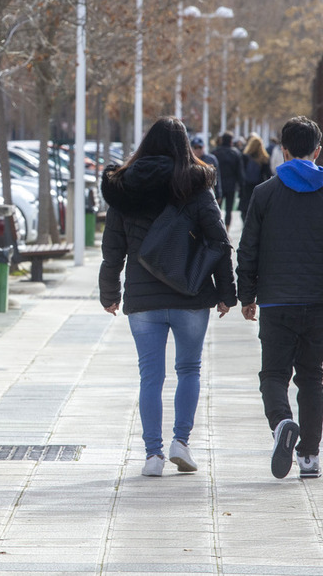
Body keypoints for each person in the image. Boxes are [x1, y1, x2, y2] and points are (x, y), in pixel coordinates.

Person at [236, 116, 323, 480]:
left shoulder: (265, 193)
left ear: (282, 151)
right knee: (311, 375)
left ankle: (282, 422)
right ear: (318, 150)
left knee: (273, 374)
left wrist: (246, 295)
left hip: (277, 301)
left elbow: (248, 248)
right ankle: (310, 457)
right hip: (321, 302)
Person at [99, 117, 236, 477]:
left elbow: (113, 248)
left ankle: (152, 456)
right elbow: (219, 242)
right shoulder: (196, 184)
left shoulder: (124, 187)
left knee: (150, 376)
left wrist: (109, 292)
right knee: (189, 369)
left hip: (143, 299)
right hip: (191, 293)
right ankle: (181, 443)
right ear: (184, 146)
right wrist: (226, 292)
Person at [211, 132, 242, 229]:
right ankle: (227, 230)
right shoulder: (235, 153)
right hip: (231, 185)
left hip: (217, 184)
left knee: (216, 209)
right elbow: (240, 172)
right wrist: (241, 186)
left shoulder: (215, 153)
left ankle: (217, 229)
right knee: (229, 209)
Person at [238, 134, 272, 221]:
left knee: (245, 211)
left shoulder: (245, 156)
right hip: (259, 186)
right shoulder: (264, 158)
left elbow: (241, 173)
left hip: (246, 186)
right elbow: (268, 175)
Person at [191, 135, 222, 202]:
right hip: (193, 194)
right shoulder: (188, 160)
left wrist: (218, 194)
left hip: (208, 193)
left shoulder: (211, 159)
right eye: (195, 147)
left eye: (200, 147)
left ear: (203, 147)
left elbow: (217, 177)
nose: (198, 150)